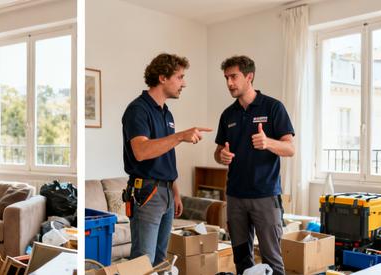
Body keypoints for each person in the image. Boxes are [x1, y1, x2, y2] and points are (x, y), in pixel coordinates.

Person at [122, 53, 211, 265]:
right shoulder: (138, 110)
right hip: (147, 192)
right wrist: (180, 136)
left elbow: (166, 155)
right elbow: (141, 151)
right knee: (143, 261)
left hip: (167, 193)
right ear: (163, 78)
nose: (184, 83)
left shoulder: (166, 113)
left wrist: (175, 192)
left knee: (161, 260)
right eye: (180, 77)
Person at [214, 55, 295, 275]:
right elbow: (218, 152)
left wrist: (267, 142)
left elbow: (290, 149)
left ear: (249, 76)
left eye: (234, 77)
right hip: (235, 197)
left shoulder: (273, 107)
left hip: (265, 197)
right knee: (242, 260)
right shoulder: (227, 114)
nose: (229, 83)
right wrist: (221, 156)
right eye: (226, 78)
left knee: (272, 260)